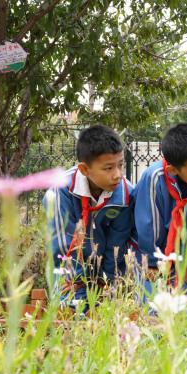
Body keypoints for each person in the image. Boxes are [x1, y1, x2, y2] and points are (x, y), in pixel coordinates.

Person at [44, 124, 134, 303]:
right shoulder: (61, 191)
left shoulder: (125, 193)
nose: (117, 174)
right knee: (70, 313)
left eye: (120, 165)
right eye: (108, 168)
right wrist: (78, 281)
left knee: (108, 316)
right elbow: (63, 246)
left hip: (106, 276)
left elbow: (118, 243)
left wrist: (105, 281)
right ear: (85, 169)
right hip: (69, 276)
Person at [131, 123, 187, 293]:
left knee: (184, 307)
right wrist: (151, 263)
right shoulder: (154, 178)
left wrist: (186, 264)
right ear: (173, 170)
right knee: (151, 306)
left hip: (180, 253)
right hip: (147, 250)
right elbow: (148, 225)